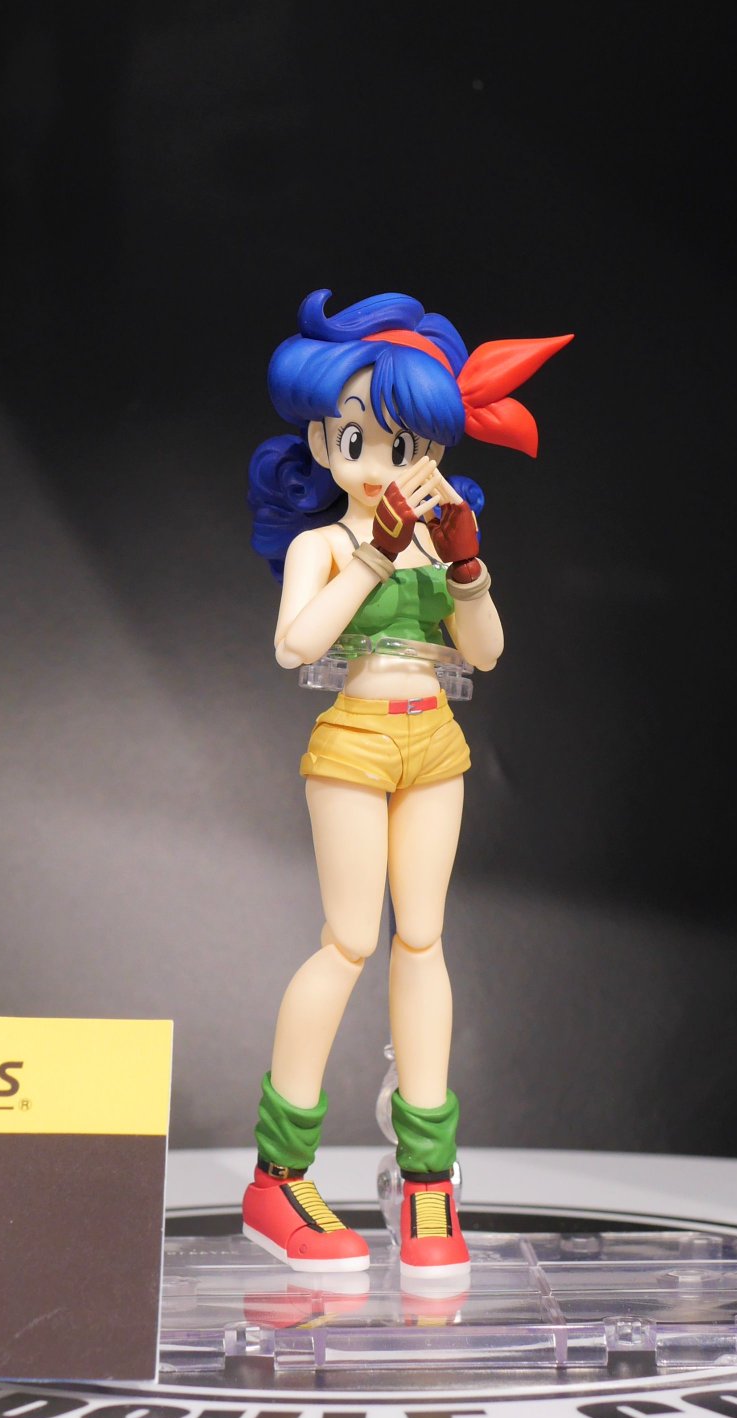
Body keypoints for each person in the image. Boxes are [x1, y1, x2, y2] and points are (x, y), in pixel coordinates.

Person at [242, 289, 570, 1284]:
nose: (381, 463)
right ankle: (278, 1177)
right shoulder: (322, 545)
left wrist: (465, 568)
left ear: (433, 448)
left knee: (422, 940)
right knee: (349, 939)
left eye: (404, 445)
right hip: (352, 741)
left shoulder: (439, 536)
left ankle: (428, 1178)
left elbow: (487, 650)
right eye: (356, 440)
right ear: (321, 439)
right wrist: (374, 552)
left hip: (434, 742)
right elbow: (295, 642)